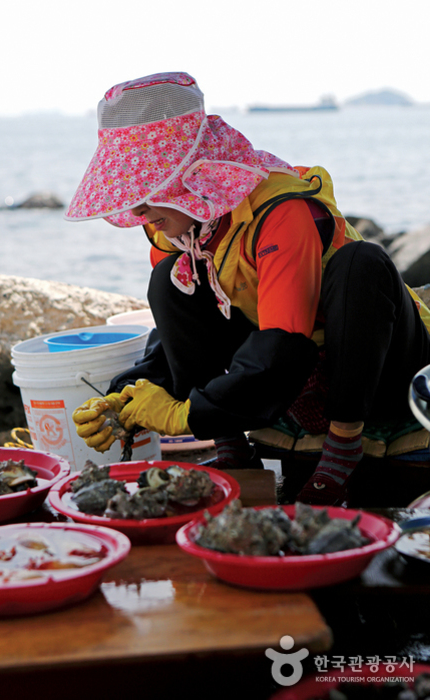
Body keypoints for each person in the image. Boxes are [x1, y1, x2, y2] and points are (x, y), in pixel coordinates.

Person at [65, 72, 430, 506]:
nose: (137, 206)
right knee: (167, 284)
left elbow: (283, 350)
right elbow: (178, 334)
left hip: (380, 365)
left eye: (149, 186)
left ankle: (344, 445)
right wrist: (124, 394)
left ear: (192, 173)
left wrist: (184, 415)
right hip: (297, 377)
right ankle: (231, 446)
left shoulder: (280, 212)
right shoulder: (176, 231)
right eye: (131, 189)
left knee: (362, 263)